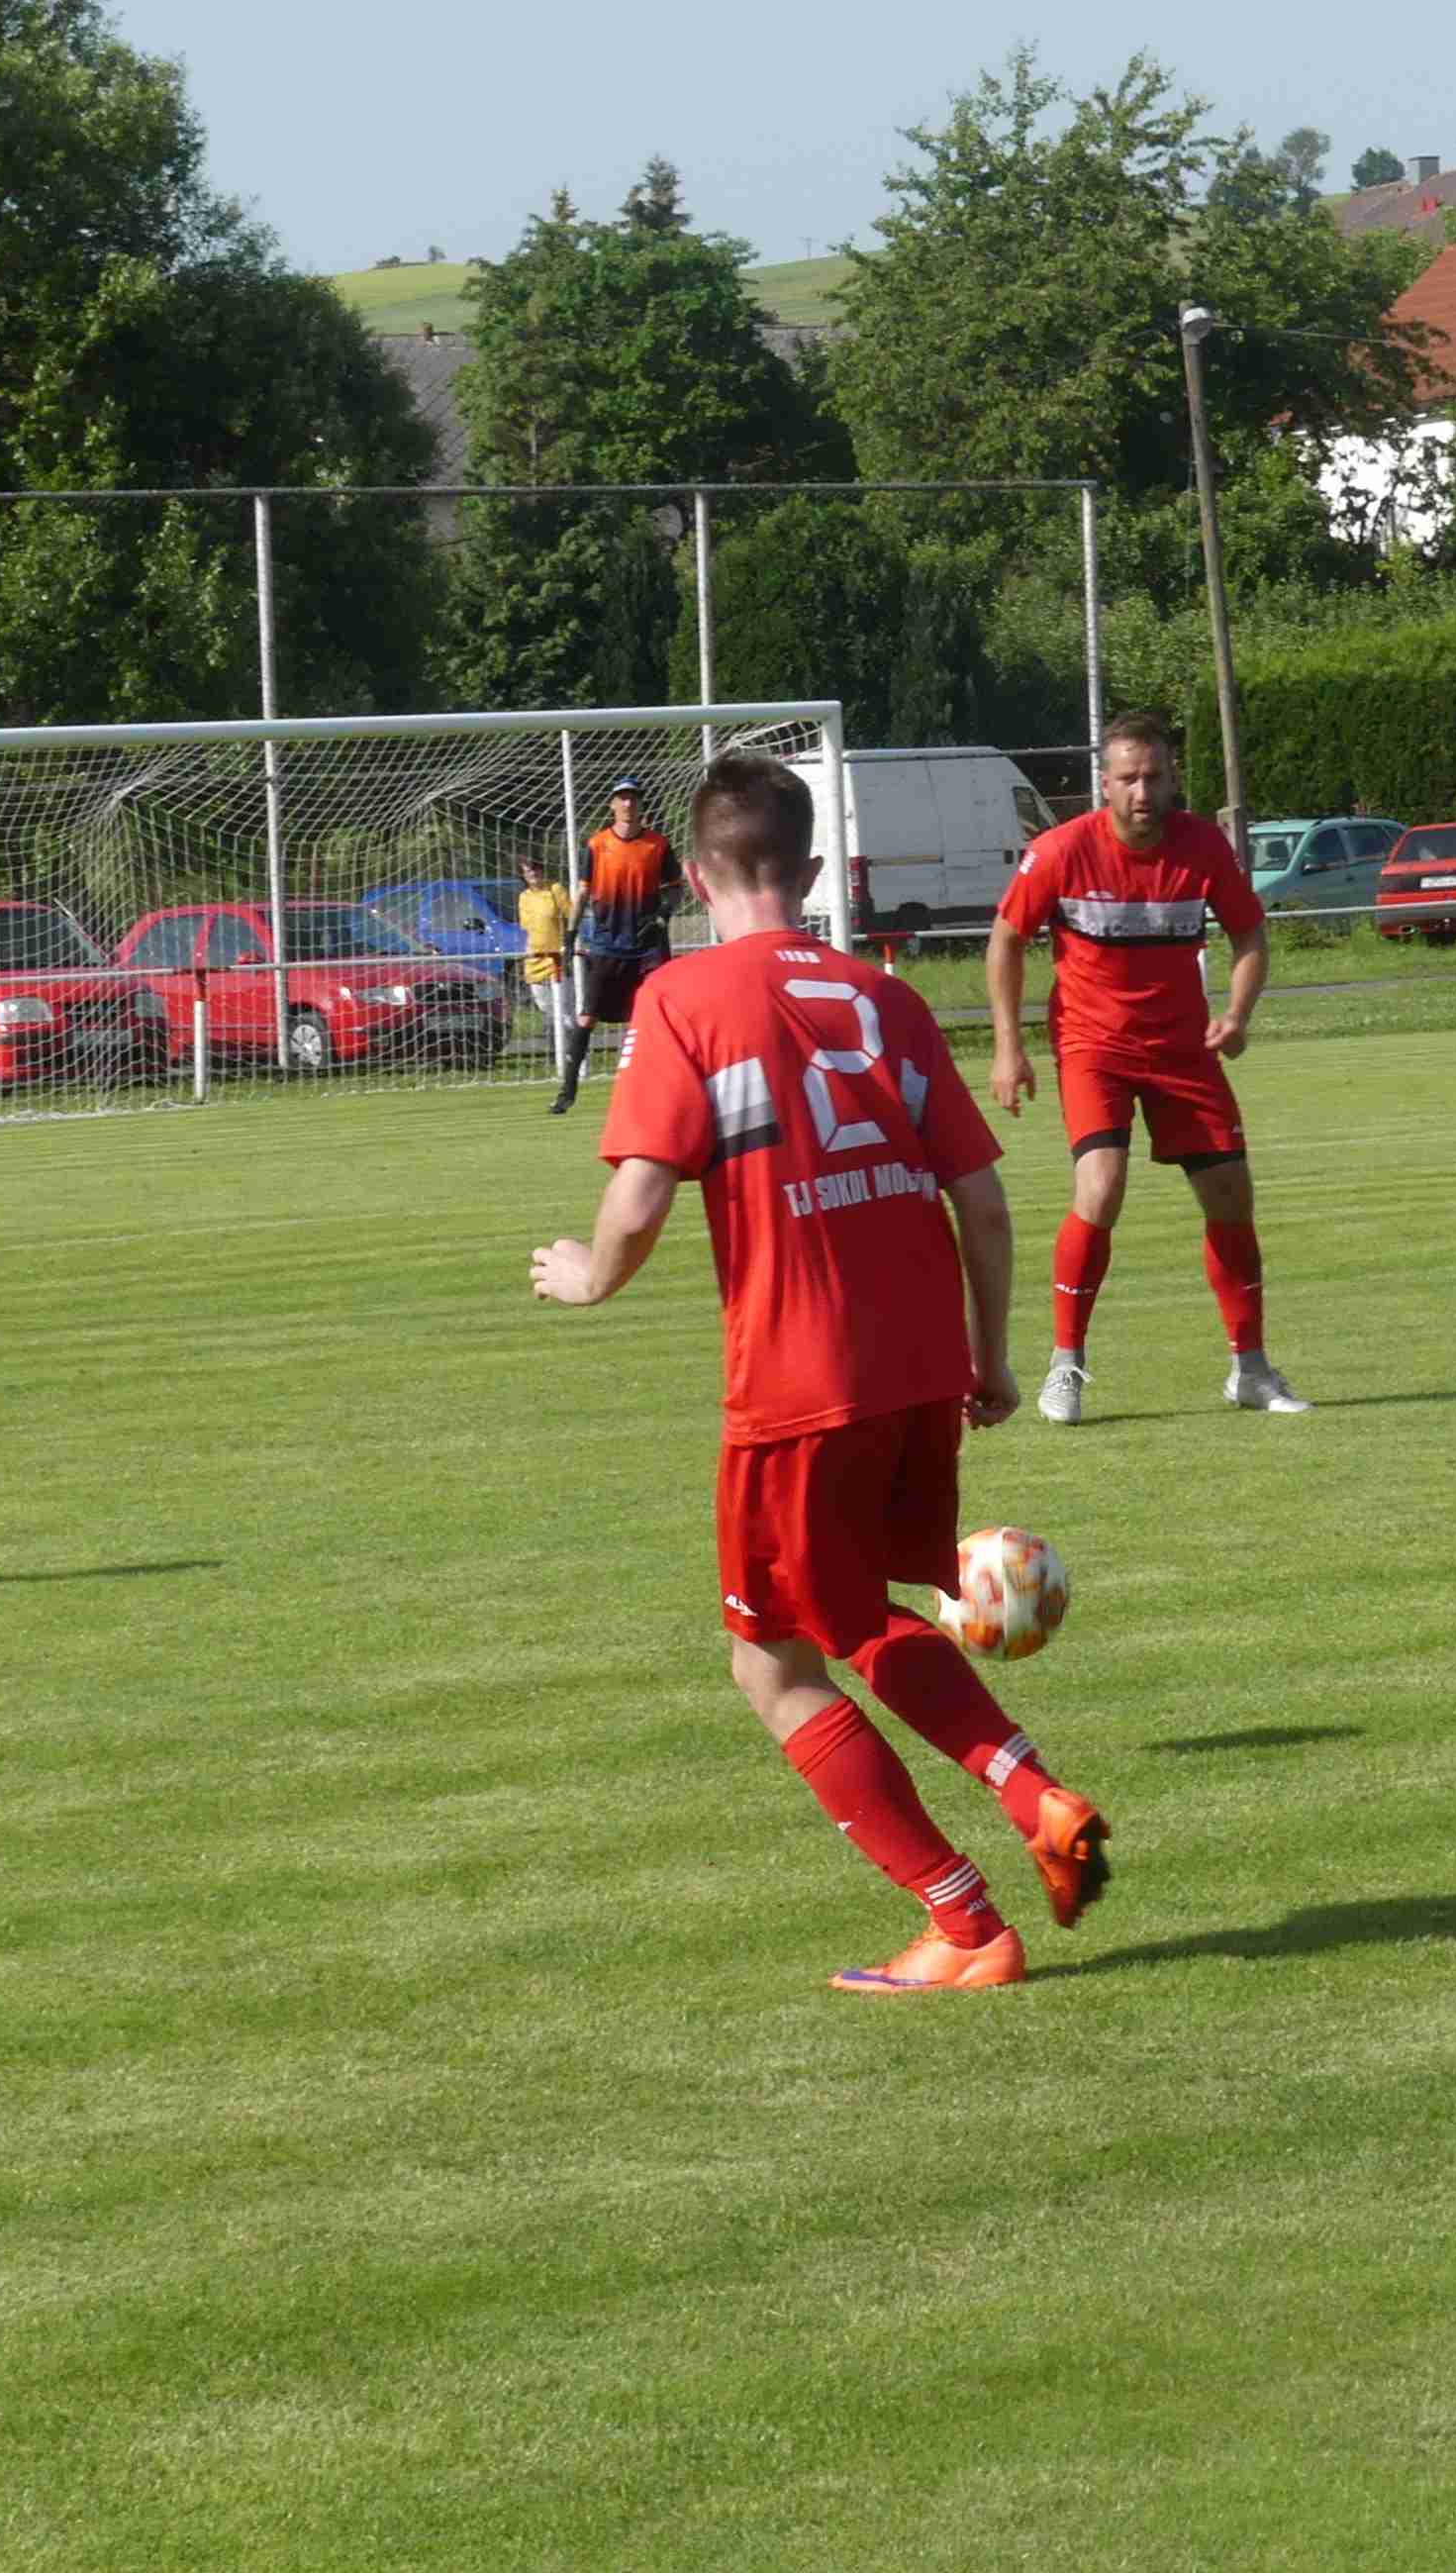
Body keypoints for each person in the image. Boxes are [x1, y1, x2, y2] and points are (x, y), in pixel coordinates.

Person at [530, 753, 1110, 1995]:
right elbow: (984, 1201)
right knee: (855, 1616)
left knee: (772, 1662)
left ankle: (964, 1924)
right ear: (809, 870)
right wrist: (990, 1356)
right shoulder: (884, 999)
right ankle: (1034, 1794)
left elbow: (639, 1199)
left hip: (798, 1381)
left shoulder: (682, 998)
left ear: (694, 879)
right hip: (919, 1369)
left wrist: (588, 1276)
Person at [987, 710, 1307, 1426]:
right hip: (1093, 1047)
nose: (1141, 791)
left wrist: (1237, 1012)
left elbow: (1250, 934)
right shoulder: (1061, 850)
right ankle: (1065, 1364)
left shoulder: (1202, 847)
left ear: (1172, 779)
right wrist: (1009, 1046)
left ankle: (1250, 1369)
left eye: (1154, 776)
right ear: (1104, 782)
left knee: (1231, 1196)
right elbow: (1005, 939)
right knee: (1100, 1187)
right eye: (1128, 777)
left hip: (1182, 1049)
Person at [550, 777, 680, 1115]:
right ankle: (567, 1091)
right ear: (612, 804)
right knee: (587, 1016)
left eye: (633, 798)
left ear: (641, 804)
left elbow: (675, 888)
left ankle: (665, 1090)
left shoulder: (658, 845)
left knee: (658, 1015)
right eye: (622, 798)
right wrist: (570, 934)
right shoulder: (596, 844)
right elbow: (582, 892)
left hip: (648, 946)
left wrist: (663, 915)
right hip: (607, 944)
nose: (627, 804)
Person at [515, 854, 576, 1065]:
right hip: (534, 960)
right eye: (528, 870)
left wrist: (570, 944)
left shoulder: (555, 889)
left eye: (535, 868)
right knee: (546, 1009)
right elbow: (526, 929)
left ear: (542, 869)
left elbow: (573, 917)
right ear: (523, 875)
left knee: (564, 1011)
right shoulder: (523, 897)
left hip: (557, 960)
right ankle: (557, 1053)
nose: (533, 873)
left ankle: (573, 1056)